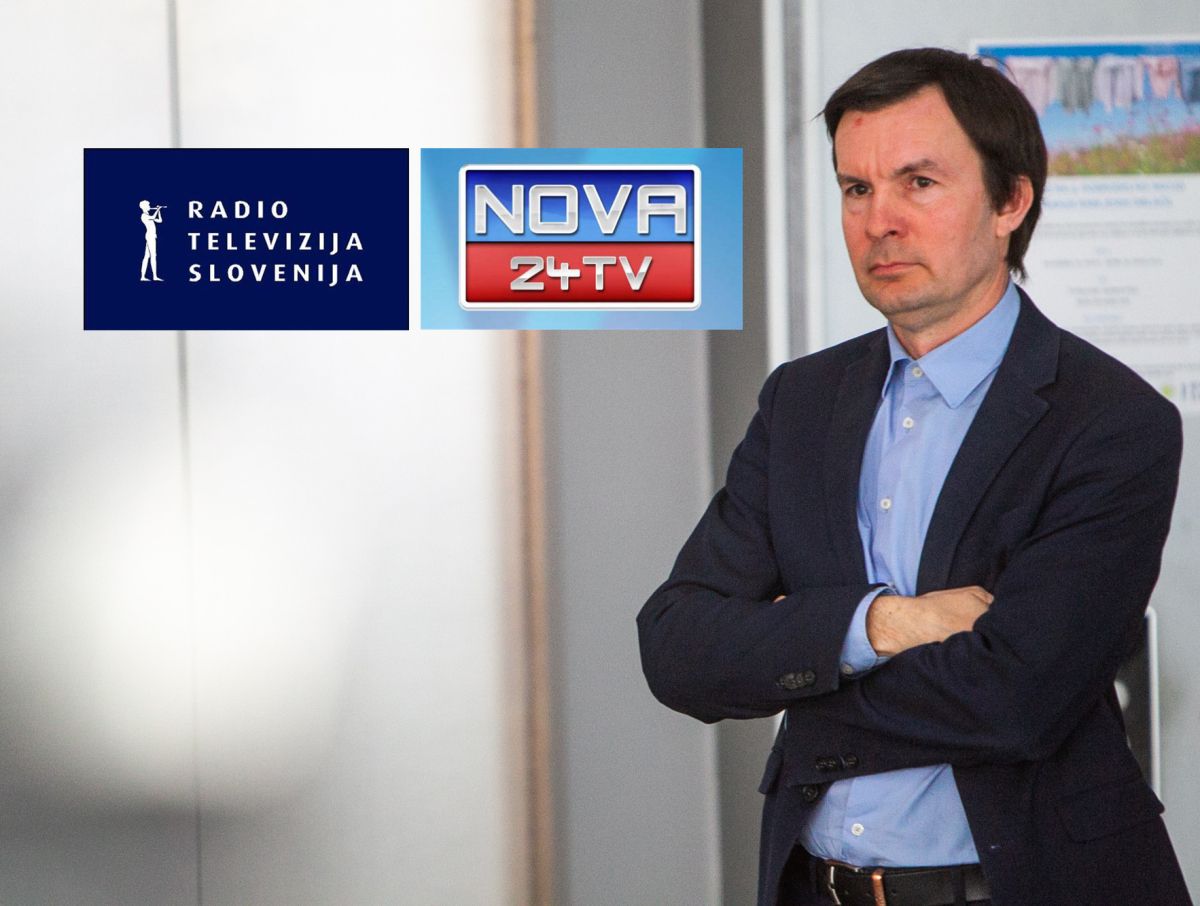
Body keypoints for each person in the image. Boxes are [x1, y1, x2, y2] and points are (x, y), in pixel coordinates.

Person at [637, 48, 1191, 906]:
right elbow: (676, 646)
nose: (879, 221)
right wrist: (884, 624)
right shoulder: (801, 401)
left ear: (1010, 202)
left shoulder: (1111, 421)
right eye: (856, 188)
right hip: (815, 887)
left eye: (919, 183)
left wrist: (798, 662)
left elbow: (1016, 700)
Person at [140, 199, 164, 282]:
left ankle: (143, 277)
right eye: (148, 205)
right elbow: (153, 217)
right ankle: (155, 276)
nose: (150, 207)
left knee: (147, 256)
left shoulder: (148, 215)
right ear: (144, 207)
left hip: (151, 236)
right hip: (150, 236)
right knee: (153, 256)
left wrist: (159, 210)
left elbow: (160, 220)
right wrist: (157, 209)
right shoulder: (144, 216)